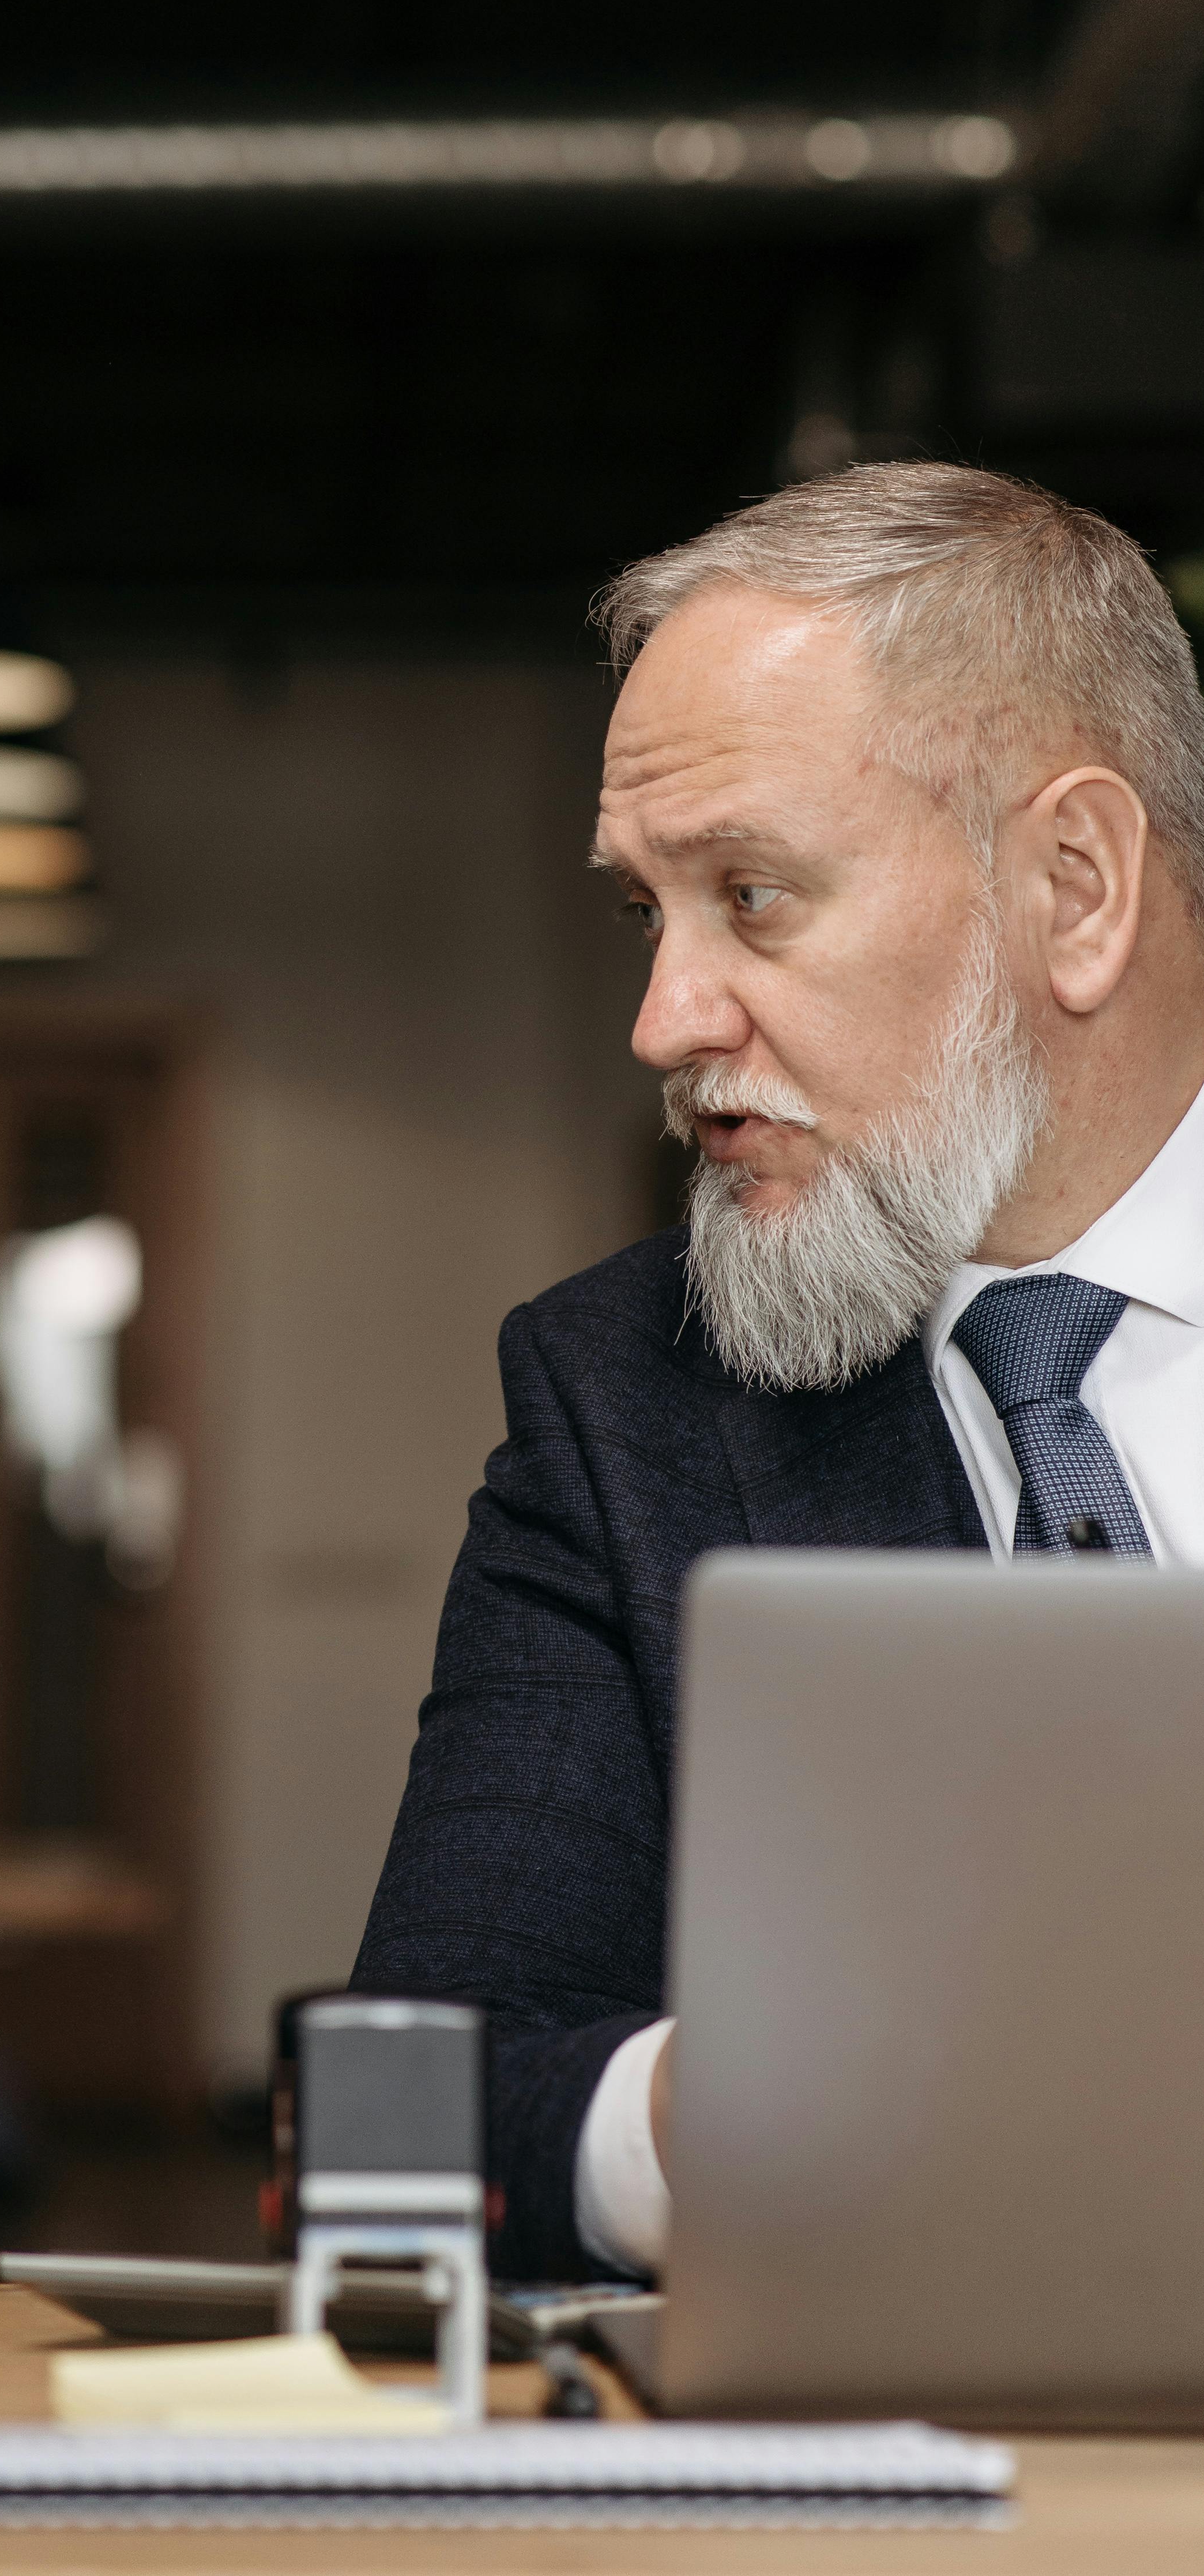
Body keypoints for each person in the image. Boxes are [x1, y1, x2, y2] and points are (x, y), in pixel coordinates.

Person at [355, 461, 1204, 2285]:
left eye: (751, 896)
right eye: (644, 914)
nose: (664, 1021)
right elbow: (421, 2110)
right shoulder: (622, 1398)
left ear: (1074, 888)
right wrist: (766, 2111)